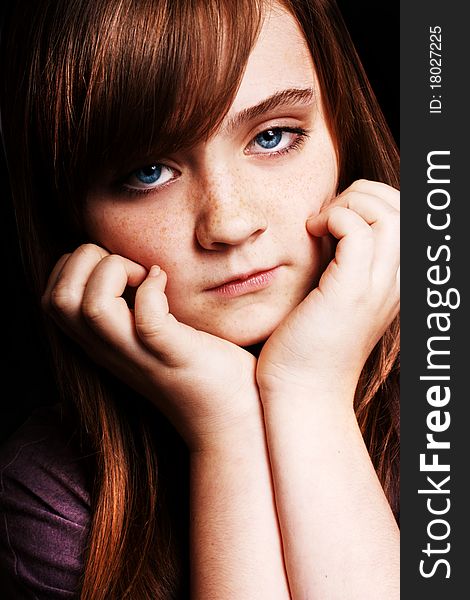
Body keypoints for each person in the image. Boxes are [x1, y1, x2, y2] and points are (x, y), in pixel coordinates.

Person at [0, 0, 400, 598]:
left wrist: (309, 389)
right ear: (73, 213)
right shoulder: (53, 498)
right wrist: (226, 428)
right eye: (148, 172)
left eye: (272, 136)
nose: (229, 223)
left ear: (342, 131)